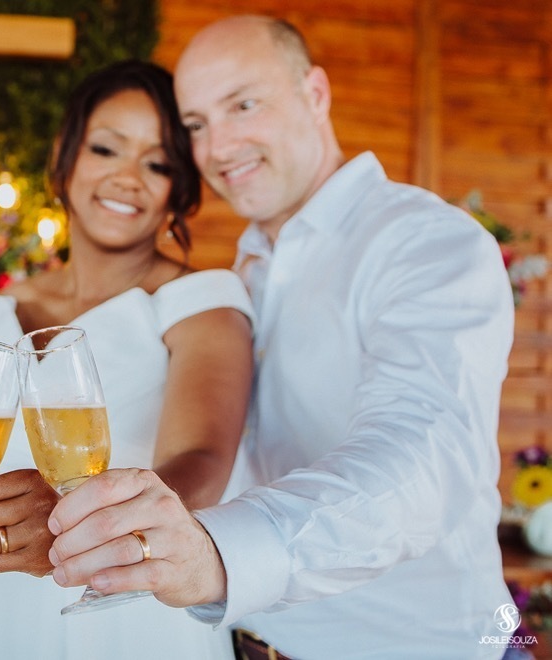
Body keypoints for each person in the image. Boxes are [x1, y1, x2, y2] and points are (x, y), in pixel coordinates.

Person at [45, 15, 516, 659]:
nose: (219, 146)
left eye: (243, 104)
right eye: (197, 125)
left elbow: (422, 455)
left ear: (315, 94)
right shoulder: (239, 279)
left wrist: (220, 555)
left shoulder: (426, 242)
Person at [0, 60, 255, 659]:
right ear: (63, 160)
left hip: (136, 616)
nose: (128, 178)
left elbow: (201, 464)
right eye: (105, 148)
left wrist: (80, 522)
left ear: (180, 189)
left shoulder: (201, 302)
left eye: (157, 163)